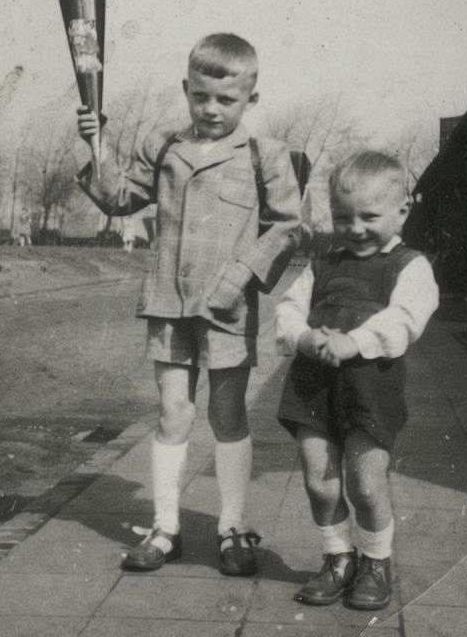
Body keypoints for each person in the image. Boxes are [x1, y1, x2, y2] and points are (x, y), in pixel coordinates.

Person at [77, 32, 301, 576]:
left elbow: (289, 227)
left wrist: (240, 276)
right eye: (201, 96)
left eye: (226, 99)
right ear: (186, 89)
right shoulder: (164, 146)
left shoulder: (264, 155)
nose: (211, 109)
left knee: (227, 415)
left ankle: (232, 527)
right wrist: (92, 146)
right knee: (172, 413)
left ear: (251, 98)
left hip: (227, 308)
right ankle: (166, 527)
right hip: (168, 303)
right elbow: (117, 198)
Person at [275, 150, 439, 609]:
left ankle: (375, 559)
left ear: (402, 211)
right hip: (314, 385)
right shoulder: (323, 263)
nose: (356, 228)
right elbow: (288, 308)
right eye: (344, 218)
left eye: (370, 216)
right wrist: (306, 338)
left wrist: (356, 342)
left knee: (366, 484)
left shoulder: (410, 266)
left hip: (370, 388)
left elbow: (406, 318)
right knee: (319, 481)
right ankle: (336, 557)